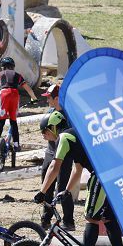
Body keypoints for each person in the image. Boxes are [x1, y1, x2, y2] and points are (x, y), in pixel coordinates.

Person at [37, 115, 123, 246]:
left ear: (52, 127)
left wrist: (42, 192)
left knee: (91, 217)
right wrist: (66, 190)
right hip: (112, 172)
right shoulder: (75, 135)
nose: (44, 136)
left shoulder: (64, 137)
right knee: (106, 217)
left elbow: (54, 165)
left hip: (101, 174)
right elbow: (77, 169)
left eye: (44, 131)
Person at [38, 86, 75, 229]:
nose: (46, 99)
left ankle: (68, 221)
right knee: (46, 183)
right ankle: (46, 217)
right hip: (50, 152)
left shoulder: (69, 116)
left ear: (57, 98)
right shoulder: (50, 113)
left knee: (63, 187)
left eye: (49, 97)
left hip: (64, 155)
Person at [0, 56, 37, 152]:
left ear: (3, 67)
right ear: (13, 66)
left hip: (4, 94)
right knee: (13, 121)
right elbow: (27, 88)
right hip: (15, 94)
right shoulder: (18, 75)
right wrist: (34, 98)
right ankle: (16, 145)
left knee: (1, 119)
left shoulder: (0, 74)